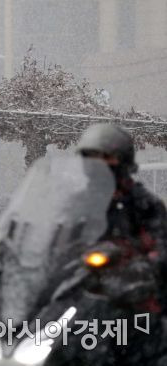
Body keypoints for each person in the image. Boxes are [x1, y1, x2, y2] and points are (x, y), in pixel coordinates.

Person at [75, 124, 167, 364]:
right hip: (82, 305)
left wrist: (139, 265)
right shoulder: (75, 204)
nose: (98, 165)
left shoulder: (143, 205)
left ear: (122, 160)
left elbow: (161, 247)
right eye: (91, 158)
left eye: (105, 157)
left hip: (135, 306)